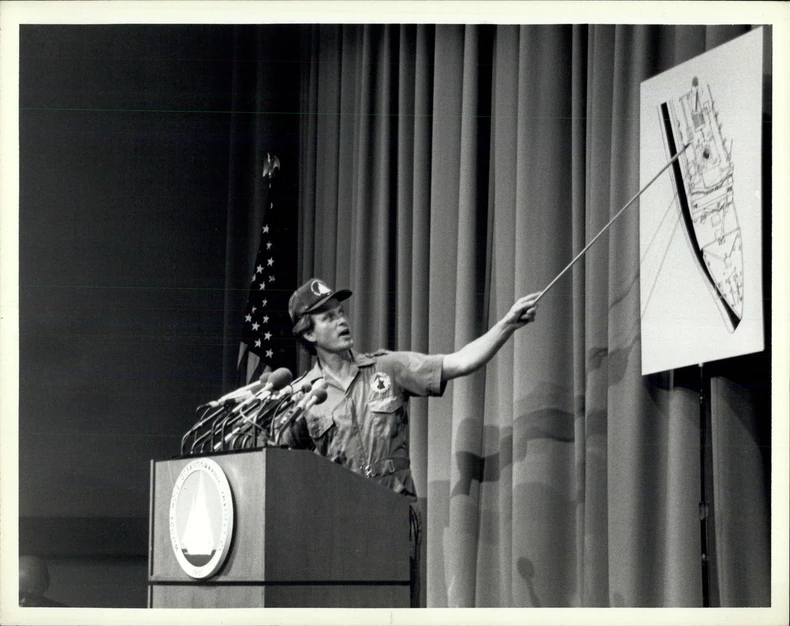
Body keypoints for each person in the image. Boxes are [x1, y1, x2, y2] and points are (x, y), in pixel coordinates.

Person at [280, 278, 539, 607]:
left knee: (402, 610)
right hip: (343, 525)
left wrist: (506, 326)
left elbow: (459, 362)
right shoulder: (305, 395)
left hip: (396, 516)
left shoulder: (386, 367)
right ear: (308, 333)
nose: (342, 321)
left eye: (341, 312)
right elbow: (284, 462)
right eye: (328, 317)